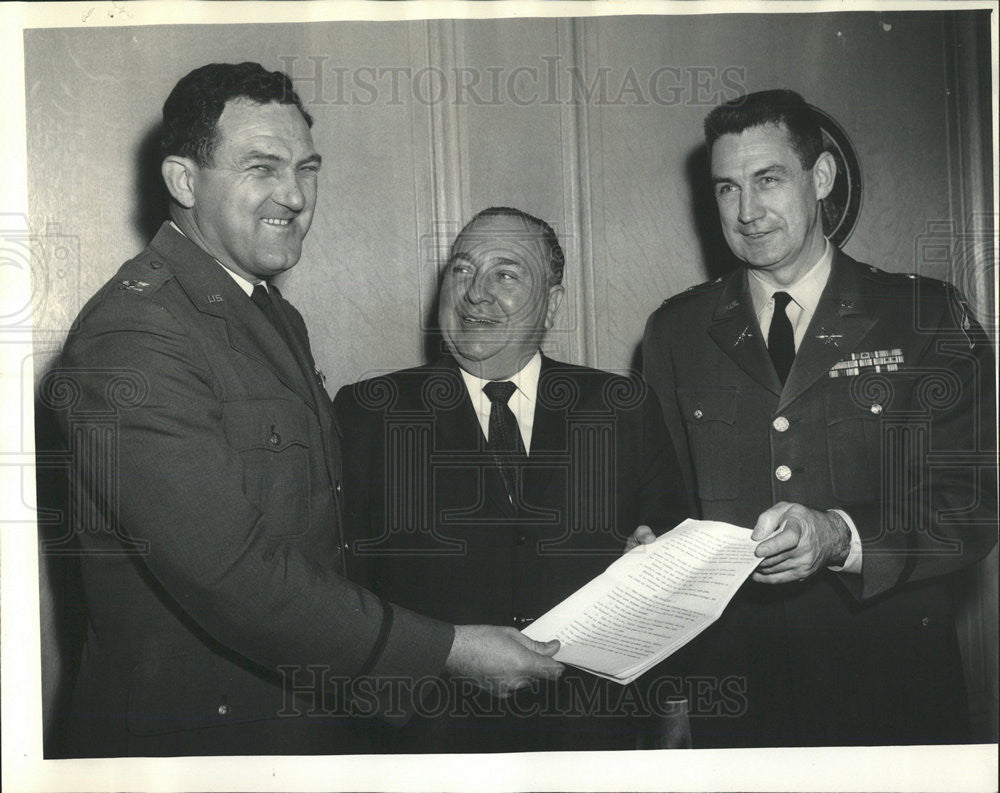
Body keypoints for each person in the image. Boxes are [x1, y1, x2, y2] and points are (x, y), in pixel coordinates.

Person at [45, 63, 563, 758]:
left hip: (295, 723)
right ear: (183, 180)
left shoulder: (267, 312)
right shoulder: (135, 335)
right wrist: (448, 650)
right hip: (196, 747)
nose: (294, 195)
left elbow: (326, 525)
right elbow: (234, 574)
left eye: (306, 168)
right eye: (263, 167)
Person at [637, 88, 997, 747]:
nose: (746, 212)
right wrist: (646, 546)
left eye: (767, 179)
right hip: (736, 698)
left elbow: (970, 507)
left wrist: (840, 535)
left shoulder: (924, 315)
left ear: (821, 176)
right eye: (726, 188)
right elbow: (664, 503)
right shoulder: (676, 331)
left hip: (891, 692)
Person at [335, 207, 690, 752]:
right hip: (429, 746)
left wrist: (655, 559)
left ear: (552, 303)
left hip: (590, 740)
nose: (476, 293)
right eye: (461, 270)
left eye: (506, 274)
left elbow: (673, 557)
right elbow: (343, 596)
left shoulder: (622, 407)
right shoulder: (369, 413)